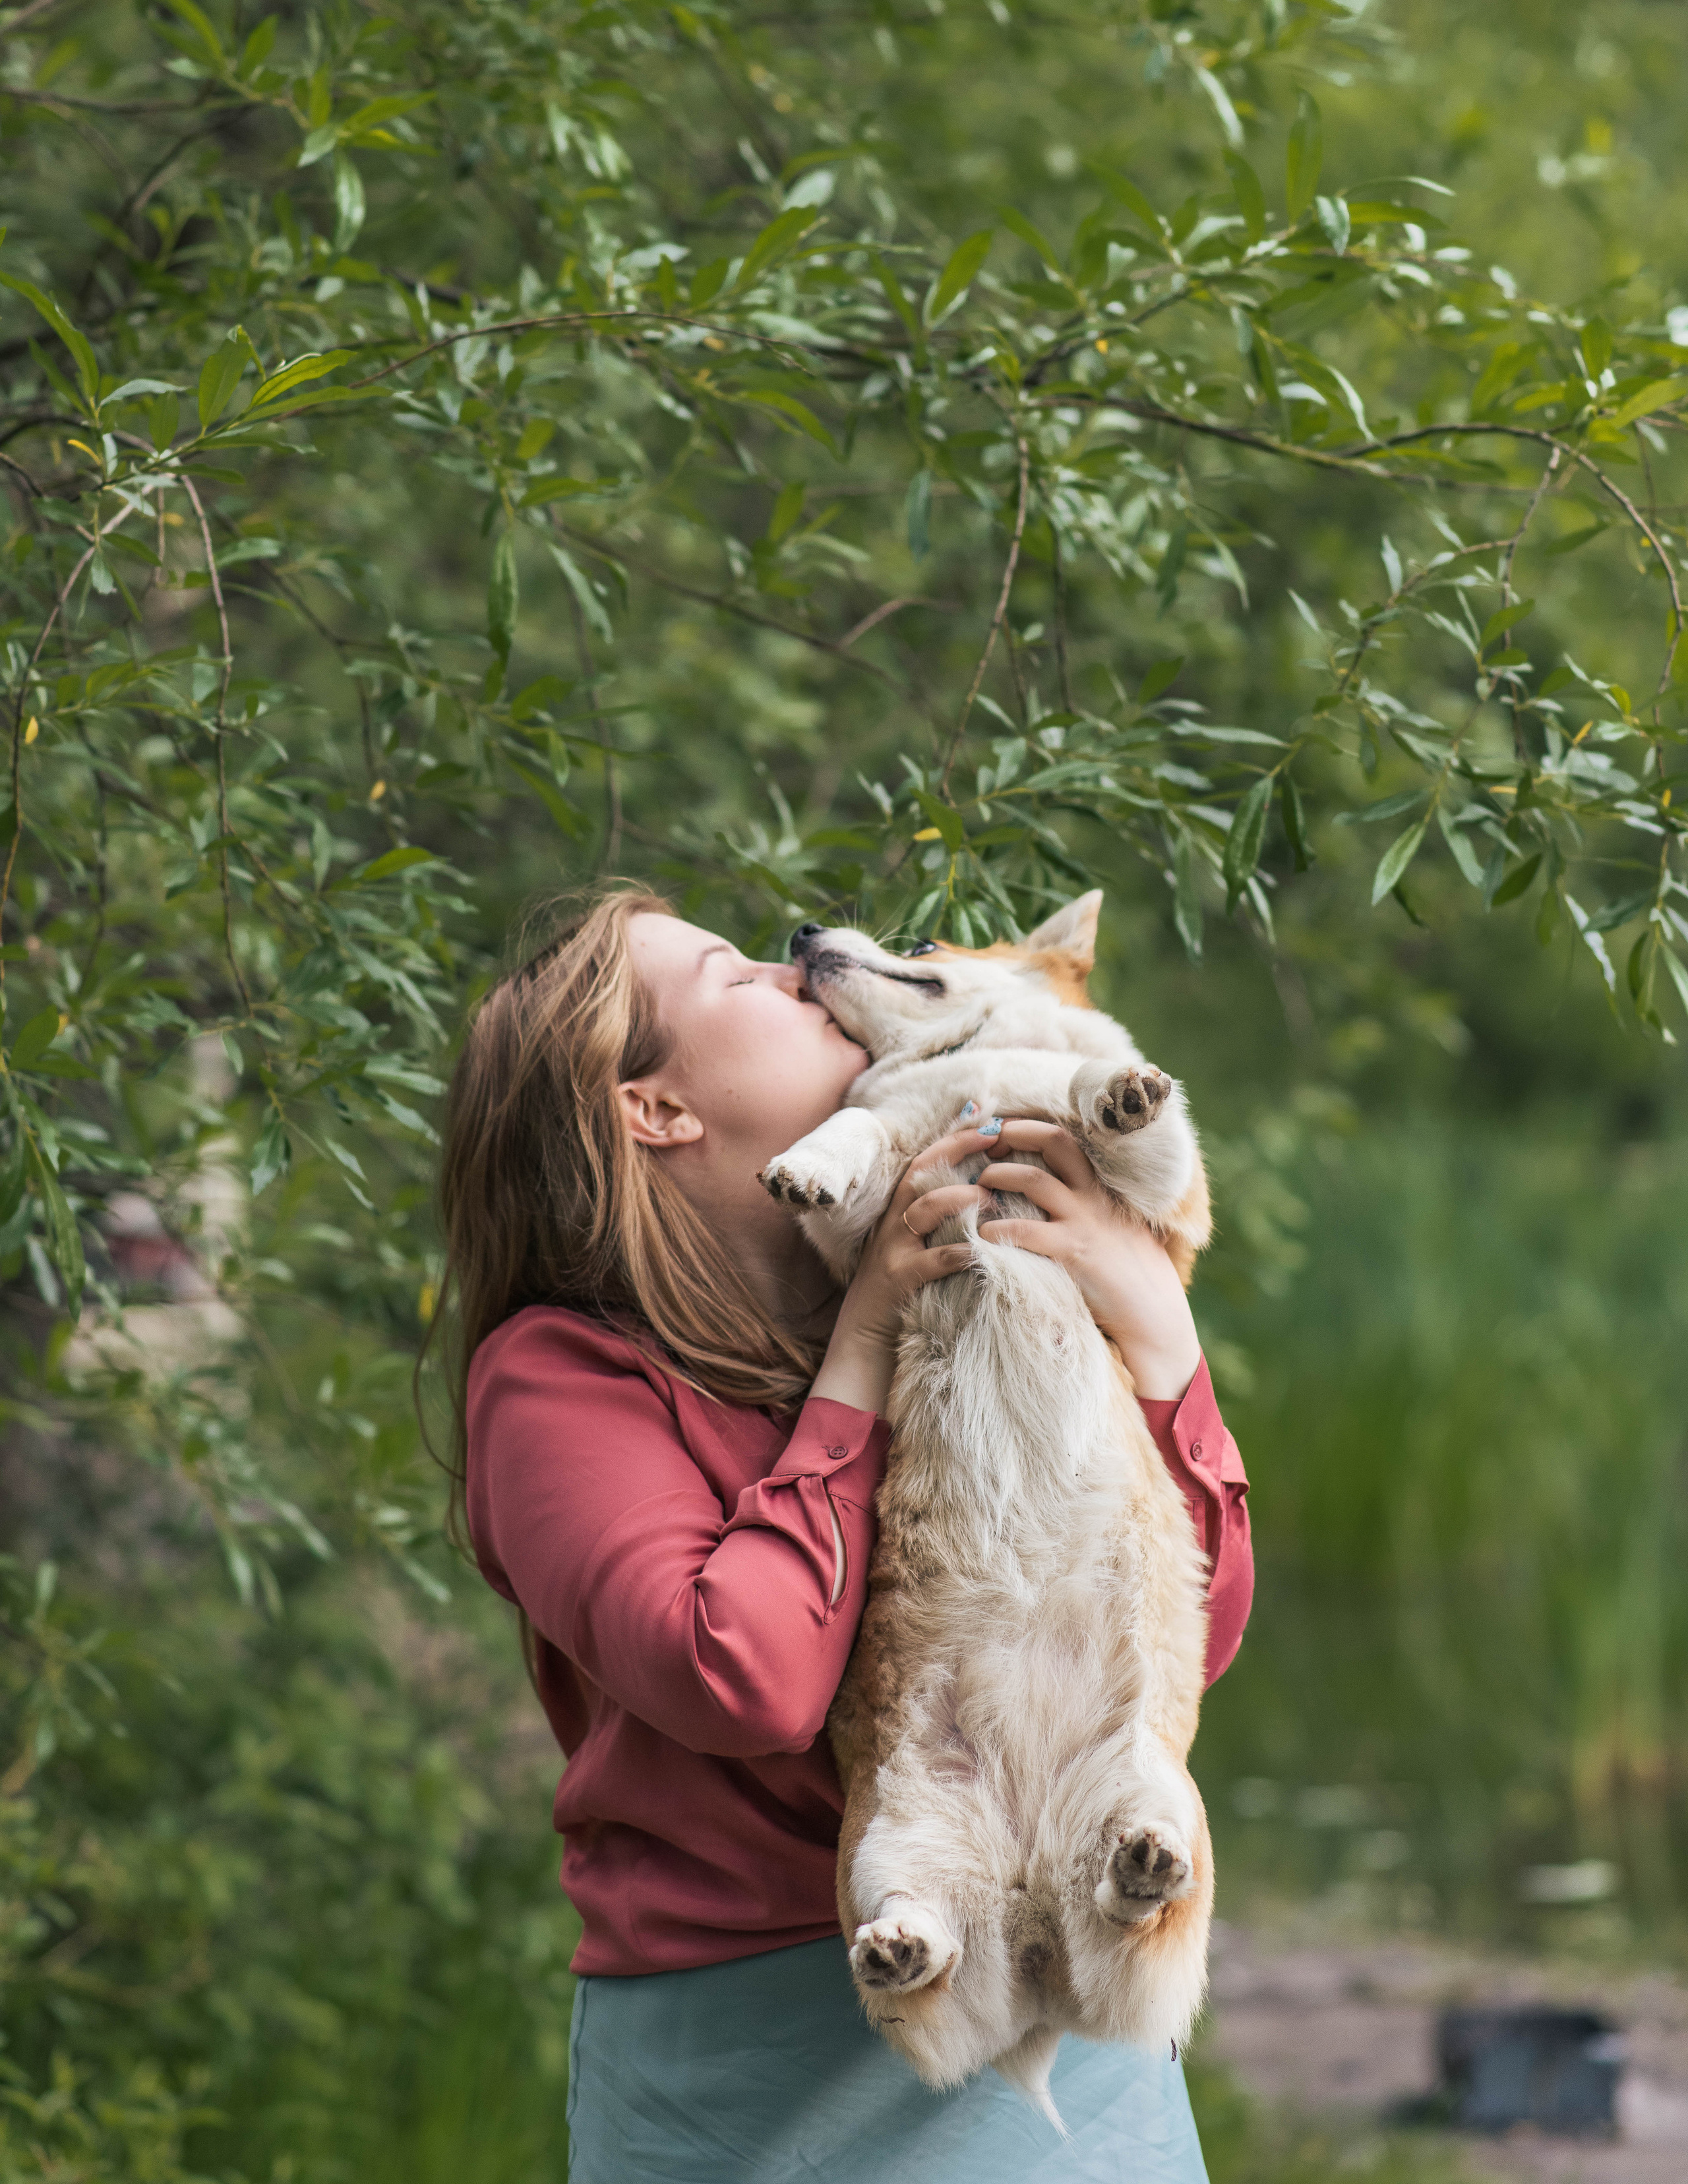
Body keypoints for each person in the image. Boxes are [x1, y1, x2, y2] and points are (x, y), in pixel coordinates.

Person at [437, 887, 1252, 2183]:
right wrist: (862, 1354)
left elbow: (1170, 1645)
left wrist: (1154, 1326)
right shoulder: (557, 1381)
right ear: (654, 1109)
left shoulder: (961, 1277)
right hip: (752, 2062)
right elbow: (741, 1675)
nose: (794, 970)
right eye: (735, 977)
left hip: (1068, 2015)